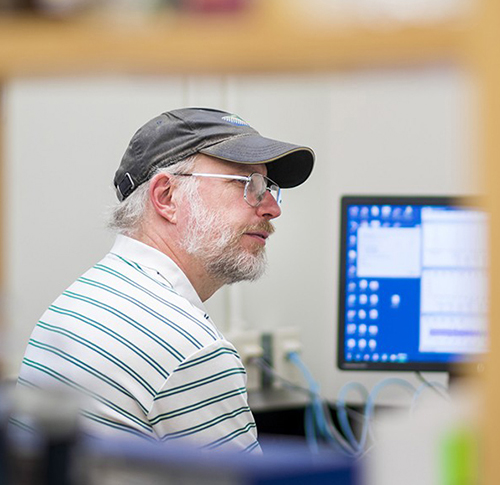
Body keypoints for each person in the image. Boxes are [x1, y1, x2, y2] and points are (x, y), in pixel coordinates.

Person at [17, 108, 315, 452]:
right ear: (166, 197)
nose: (271, 209)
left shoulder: (75, 303)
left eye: (268, 188)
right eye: (248, 184)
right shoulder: (192, 351)